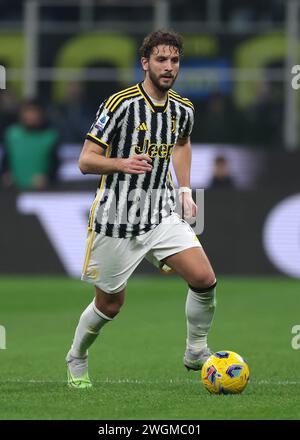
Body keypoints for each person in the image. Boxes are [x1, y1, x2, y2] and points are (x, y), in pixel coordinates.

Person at [66, 30, 217, 389]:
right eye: (161, 60)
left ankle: (196, 350)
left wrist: (183, 189)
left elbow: (182, 144)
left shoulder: (183, 109)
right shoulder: (119, 104)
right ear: (145, 63)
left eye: (175, 60)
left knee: (204, 279)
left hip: (160, 213)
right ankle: (77, 355)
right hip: (116, 219)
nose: (169, 67)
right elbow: (86, 161)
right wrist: (122, 163)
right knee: (110, 305)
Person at [1, 99, 59, 190]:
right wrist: (6, 174)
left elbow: (55, 165)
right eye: (28, 111)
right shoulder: (12, 134)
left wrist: (47, 178)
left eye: (34, 112)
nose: (31, 116)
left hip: (40, 191)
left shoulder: (50, 137)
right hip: (13, 191)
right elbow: (5, 160)